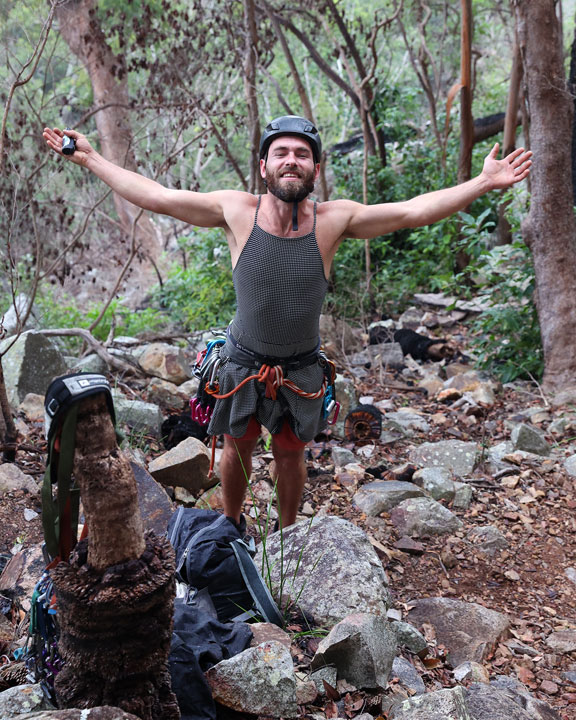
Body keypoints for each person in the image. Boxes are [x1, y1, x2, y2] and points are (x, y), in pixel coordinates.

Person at [43, 116, 532, 529]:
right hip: (240, 362)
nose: (291, 160)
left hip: (300, 368)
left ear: (316, 168)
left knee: (291, 453)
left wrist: (484, 182)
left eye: (302, 154)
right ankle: (231, 527)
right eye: (281, 153)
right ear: (264, 166)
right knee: (237, 448)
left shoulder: (335, 219)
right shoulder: (235, 210)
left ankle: (287, 533)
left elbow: (410, 212)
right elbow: (157, 196)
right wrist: (91, 158)